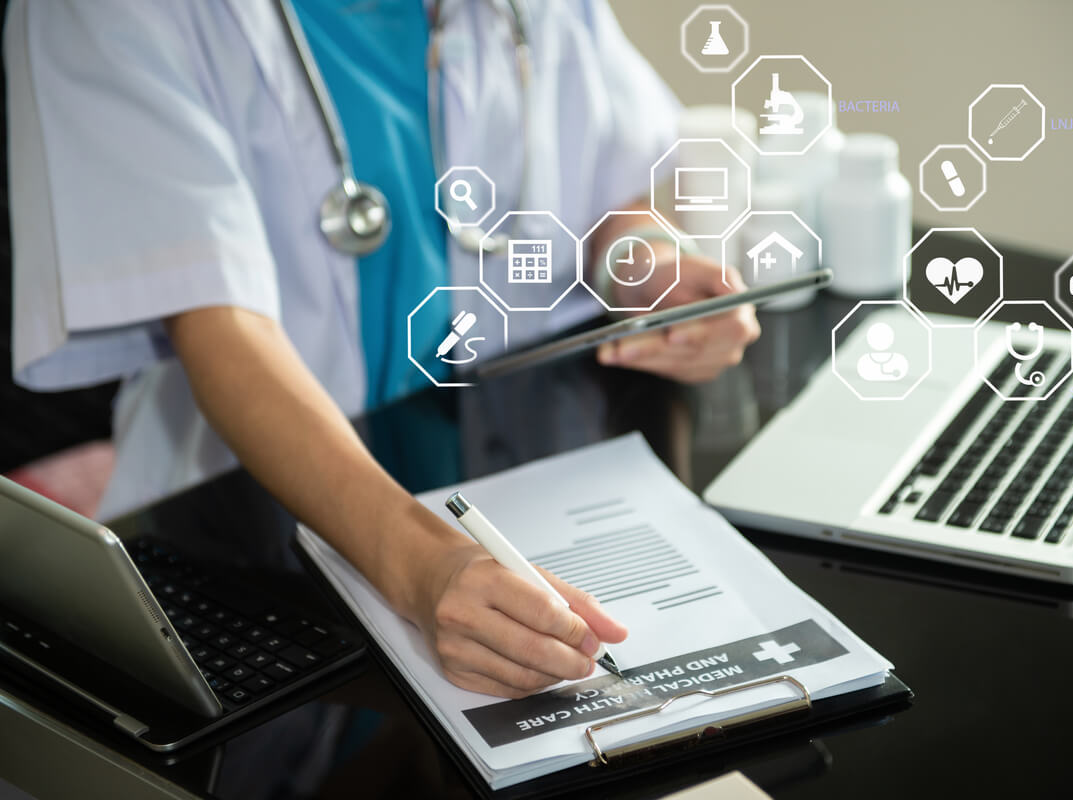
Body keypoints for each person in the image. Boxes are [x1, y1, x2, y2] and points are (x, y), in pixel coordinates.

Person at [4, 0, 759, 697]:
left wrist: (649, 266)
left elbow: (616, 179)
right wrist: (421, 566)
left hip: (522, 484)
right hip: (257, 534)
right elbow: (220, 329)